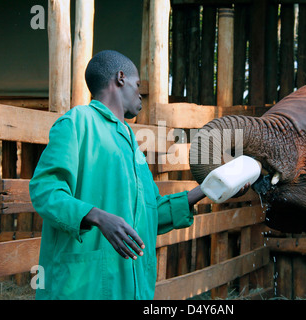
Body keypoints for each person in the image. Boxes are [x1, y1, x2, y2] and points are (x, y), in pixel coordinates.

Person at [29, 50, 247, 300]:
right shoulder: (77, 123)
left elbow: (149, 214)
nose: (141, 94)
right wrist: (98, 217)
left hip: (133, 288)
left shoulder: (132, 144)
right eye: (138, 85)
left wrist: (208, 188)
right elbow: (45, 190)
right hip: (84, 287)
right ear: (120, 78)